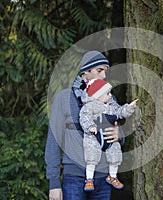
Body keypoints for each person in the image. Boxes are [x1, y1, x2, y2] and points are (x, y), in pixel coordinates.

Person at [45, 51, 124, 200]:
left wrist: (120, 135)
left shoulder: (108, 97)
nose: (104, 76)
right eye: (99, 71)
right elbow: (53, 142)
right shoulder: (64, 98)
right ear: (85, 72)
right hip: (74, 178)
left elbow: (116, 128)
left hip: (103, 177)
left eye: (105, 71)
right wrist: (54, 184)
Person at [79, 79, 138, 191]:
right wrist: (90, 126)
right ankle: (89, 179)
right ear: (98, 95)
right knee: (91, 157)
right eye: (107, 93)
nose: (110, 96)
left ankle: (112, 176)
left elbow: (120, 112)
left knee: (115, 154)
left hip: (109, 138)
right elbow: (84, 117)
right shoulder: (89, 106)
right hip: (94, 138)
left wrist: (129, 108)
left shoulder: (110, 106)